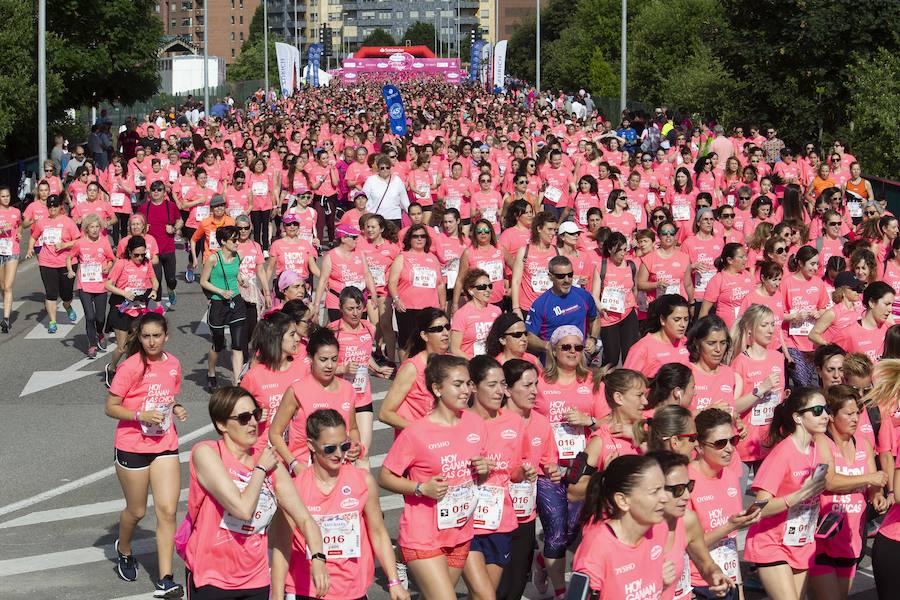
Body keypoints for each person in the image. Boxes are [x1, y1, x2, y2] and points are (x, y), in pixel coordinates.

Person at [184, 386, 328, 600]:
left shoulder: (270, 463)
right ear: (222, 424)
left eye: (256, 414)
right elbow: (242, 509)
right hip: (212, 578)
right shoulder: (207, 453)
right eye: (243, 418)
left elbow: (305, 518)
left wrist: (317, 558)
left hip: (256, 579)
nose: (253, 423)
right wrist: (259, 470)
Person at [378, 354, 492, 600]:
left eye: (468, 383)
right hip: (423, 534)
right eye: (458, 384)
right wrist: (420, 488)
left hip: (459, 531)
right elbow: (385, 477)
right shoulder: (416, 433)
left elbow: (477, 478)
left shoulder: (475, 424)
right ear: (437, 388)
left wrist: (484, 471)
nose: (466, 391)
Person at [272, 408, 409, 600]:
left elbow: (378, 532)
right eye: (329, 448)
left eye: (344, 446)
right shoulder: (295, 489)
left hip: (353, 589)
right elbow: (282, 547)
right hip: (307, 589)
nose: (339, 454)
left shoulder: (363, 481)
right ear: (311, 445)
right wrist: (277, 596)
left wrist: (394, 581)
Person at [104, 313, 187, 597]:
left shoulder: (174, 364)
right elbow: (111, 406)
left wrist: (175, 409)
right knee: (137, 510)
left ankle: (165, 579)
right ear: (139, 338)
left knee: (167, 511)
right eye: (146, 336)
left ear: (166, 336)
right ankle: (124, 549)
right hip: (132, 445)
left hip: (164, 443)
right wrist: (139, 414)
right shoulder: (131, 367)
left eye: (157, 336)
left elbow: (167, 397)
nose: (152, 341)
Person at [533, 325, 604, 599]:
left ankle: (542, 561)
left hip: (581, 471)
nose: (573, 352)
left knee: (570, 531)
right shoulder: (539, 383)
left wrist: (590, 421)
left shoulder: (593, 381)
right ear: (553, 349)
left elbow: (610, 420)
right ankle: (562, 592)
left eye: (578, 347)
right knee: (554, 531)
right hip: (548, 468)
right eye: (566, 347)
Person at [743, 387, 830, 600]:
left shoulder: (816, 448)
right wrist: (799, 496)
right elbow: (758, 509)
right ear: (798, 417)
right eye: (817, 410)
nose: (826, 415)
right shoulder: (782, 453)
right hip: (772, 543)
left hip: (801, 540)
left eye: (826, 409)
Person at [810, 385, 888, 600]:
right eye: (849, 414)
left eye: (857, 414)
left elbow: (874, 490)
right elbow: (829, 481)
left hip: (851, 539)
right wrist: (869, 479)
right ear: (832, 416)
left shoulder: (862, 443)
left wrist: (878, 497)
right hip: (822, 539)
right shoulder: (821, 442)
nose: (856, 419)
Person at [465, 356, 530, 598]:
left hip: (499, 521)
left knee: (484, 594)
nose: (499, 391)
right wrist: (474, 470)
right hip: (466, 523)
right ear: (473, 386)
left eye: (503, 385)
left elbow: (513, 472)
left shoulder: (514, 421)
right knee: (485, 596)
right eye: (492, 385)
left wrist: (523, 472)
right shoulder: (460, 421)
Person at [496, 358, 560, 600]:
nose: (534, 391)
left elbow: (547, 462)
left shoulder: (542, 424)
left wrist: (552, 470)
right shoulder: (491, 421)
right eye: (527, 385)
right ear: (507, 389)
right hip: (494, 516)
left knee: (517, 581)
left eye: (536, 384)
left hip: (525, 514)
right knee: (494, 587)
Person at [571, 455, 673, 599]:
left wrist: (662, 583)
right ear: (623, 500)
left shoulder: (659, 528)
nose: (665, 498)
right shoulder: (597, 546)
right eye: (654, 491)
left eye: (664, 488)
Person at [689, 409, 763, 597]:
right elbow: (689, 544)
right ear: (698, 446)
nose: (729, 448)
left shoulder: (730, 475)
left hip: (728, 578)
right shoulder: (686, 481)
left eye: (733, 440)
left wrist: (739, 589)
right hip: (698, 583)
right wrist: (730, 525)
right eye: (720, 443)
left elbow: (730, 540)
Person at [268, 327, 362, 473]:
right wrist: (294, 464)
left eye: (334, 359)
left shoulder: (347, 389)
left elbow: (353, 428)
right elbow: (274, 433)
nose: (330, 365)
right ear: (311, 358)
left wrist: (355, 446)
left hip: (341, 468)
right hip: (306, 470)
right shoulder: (296, 390)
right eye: (323, 360)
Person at [649, 449, 736, 600]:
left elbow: (706, 564)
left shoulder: (687, 521)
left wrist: (715, 574)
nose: (687, 496)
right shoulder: (633, 529)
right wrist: (651, 582)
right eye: (678, 490)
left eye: (688, 486)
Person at [328, 286, 394, 469]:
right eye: (350, 309)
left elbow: (365, 357)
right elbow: (319, 367)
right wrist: (343, 368)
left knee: (363, 452)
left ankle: (364, 496)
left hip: (362, 396)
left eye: (359, 308)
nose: (355, 313)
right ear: (341, 308)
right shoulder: (333, 332)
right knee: (342, 454)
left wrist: (377, 370)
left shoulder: (369, 328)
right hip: (339, 397)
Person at [728, 304, 785, 466]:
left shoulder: (778, 358)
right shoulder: (740, 362)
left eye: (772, 324)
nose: (770, 330)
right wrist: (761, 389)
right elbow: (733, 407)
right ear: (750, 329)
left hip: (771, 440)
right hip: (745, 441)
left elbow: (778, 398)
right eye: (764, 325)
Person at [239, 311, 303, 452]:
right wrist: (254, 417)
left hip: (298, 451)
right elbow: (235, 415)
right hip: (266, 452)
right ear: (277, 338)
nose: (298, 339)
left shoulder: (304, 368)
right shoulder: (254, 376)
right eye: (292, 335)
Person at [378, 308, 451, 431]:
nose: (445, 333)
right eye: (437, 329)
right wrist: (420, 431)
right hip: (418, 443)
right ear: (424, 335)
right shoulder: (411, 368)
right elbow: (385, 414)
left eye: (447, 327)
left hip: (447, 439)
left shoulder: (453, 362)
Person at [103, 235, 159, 385]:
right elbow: (108, 285)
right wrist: (124, 293)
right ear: (129, 251)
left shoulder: (147, 264)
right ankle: (111, 368)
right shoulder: (121, 264)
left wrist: (154, 290)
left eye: (143, 254)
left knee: (135, 345)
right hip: (121, 308)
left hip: (139, 308)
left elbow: (155, 280)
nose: (140, 258)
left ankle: (131, 373)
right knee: (122, 347)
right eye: (136, 255)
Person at [200, 225, 247, 389]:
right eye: (234, 240)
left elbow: (236, 272)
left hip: (236, 302)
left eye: (238, 239)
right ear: (223, 241)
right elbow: (203, 281)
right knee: (218, 344)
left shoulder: (238, 256)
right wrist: (220, 291)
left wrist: (241, 279)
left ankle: (238, 381)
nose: (237, 242)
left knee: (237, 344)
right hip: (218, 304)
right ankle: (211, 372)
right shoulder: (213, 259)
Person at [388, 224, 445, 358]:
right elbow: (392, 282)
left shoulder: (432, 258)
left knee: (428, 342)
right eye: (415, 236)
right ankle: (404, 371)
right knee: (407, 342)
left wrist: (442, 305)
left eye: (423, 236)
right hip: (407, 307)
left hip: (429, 308)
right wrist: (396, 299)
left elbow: (440, 284)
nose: (419, 239)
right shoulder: (402, 257)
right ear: (409, 239)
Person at [26, 195, 81, 334]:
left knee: (66, 294)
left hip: (67, 262)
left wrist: (65, 244)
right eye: (50, 207)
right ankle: (52, 321)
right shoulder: (42, 223)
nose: (52, 209)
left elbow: (78, 240)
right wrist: (29, 249)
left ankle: (67, 306)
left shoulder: (68, 222)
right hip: (47, 262)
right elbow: (34, 236)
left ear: (60, 207)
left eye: (55, 206)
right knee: (51, 293)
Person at [525, 255, 600, 353]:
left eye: (570, 275)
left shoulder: (584, 296)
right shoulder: (541, 304)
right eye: (561, 276)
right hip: (552, 362)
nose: (567, 280)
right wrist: (548, 346)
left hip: (578, 358)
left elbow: (595, 318)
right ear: (550, 277)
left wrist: (593, 339)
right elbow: (529, 336)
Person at [67, 214, 115, 358]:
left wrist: (108, 267)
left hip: (100, 285)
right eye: (91, 227)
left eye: (97, 227)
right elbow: (70, 257)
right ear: (86, 229)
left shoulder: (104, 242)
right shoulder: (80, 243)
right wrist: (70, 270)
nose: (95, 230)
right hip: (85, 286)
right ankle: (92, 344)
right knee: (89, 316)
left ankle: (100, 333)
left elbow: (111, 259)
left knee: (100, 318)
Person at [782, 246, 829, 387]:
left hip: (812, 342)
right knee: (802, 382)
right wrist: (793, 317)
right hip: (792, 341)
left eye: (817, 264)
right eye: (812, 264)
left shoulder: (818, 283)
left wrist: (818, 313)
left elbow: (824, 309)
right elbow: (778, 314)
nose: (815, 268)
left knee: (812, 384)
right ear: (801, 263)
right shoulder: (786, 283)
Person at [595, 231, 639, 365]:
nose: (622, 254)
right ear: (610, 249)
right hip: (609, 318)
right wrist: (601, 308)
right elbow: (594, 295)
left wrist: (633, 307)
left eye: (625, 250)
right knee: (611, 359)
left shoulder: (631, 266)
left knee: (630, 356)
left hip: (628, 315)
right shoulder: (601, 266)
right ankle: (605, 384)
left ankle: (627, 384)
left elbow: (634, 288)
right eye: (618, 250)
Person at [624, 294, 691, 377]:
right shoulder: (642, 348)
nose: (683, 324)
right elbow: (626, 383)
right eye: (677, 320)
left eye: (686, 319)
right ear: (662, 320)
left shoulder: (687, 343)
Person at [137, 180, 182, 306]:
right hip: (151, 252)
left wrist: (174, 229)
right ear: (150, 192)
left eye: (159, 189)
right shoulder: (143, 208)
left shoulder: (171, 206)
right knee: (156, 279)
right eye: (153, 189)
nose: (156, 192)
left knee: (171, 279)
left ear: (164, 192)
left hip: (168, 249)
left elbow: (180, 220)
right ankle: (158, 307)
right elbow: (134, 224)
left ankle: (171, 289)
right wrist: (142, 228)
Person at [833, 281, 895, 363]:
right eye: (887, 304)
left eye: (892, 305)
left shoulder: (891, 331)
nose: (890, 309)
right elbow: (830, 363)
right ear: (872, 303)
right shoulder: (847, 334)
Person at [511, 211, 559, 316]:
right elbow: (516, 281)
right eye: (549, 229)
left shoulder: (557, 252)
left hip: (551, 307)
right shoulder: (524, 251)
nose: (553, 233)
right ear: (539, 229)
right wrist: (516, 308)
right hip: (528, 307)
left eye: (555, 230)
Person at [698, 243, 753, 328]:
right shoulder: (718, 280)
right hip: (727, 331)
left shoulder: (748, 276)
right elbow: (704, 311)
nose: (745, 259)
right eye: (741, 257)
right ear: (730, 260)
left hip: (748, 328)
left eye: (745, 256)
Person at [450, 268, 502, 358]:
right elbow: (455, 349)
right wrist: (473, 362)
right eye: (482, 287)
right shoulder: (461, 314)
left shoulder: (497, 311)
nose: (487, 290)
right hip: (470, 362)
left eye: (490, 286)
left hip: (492, 362)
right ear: (470, 291)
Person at [363, 154, 410, 227]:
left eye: (387, 168)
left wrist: (412, 215)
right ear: (378, 169)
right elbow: (363, 199)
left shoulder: (398, 181)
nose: (385, 170)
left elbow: (405, 202)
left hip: (394, 218)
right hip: (376, 219)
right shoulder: (371, 180)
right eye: (382, 168)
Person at [0, 186, 21, 332]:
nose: (6, 198)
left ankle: (6, 319)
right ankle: (6, 307)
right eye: (3, 196)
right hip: (0, 252)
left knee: (8, 286)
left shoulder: (16, 212)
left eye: (7, 196)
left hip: (13, 251)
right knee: (2, 287)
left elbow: (19, 225)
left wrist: (19, 233)